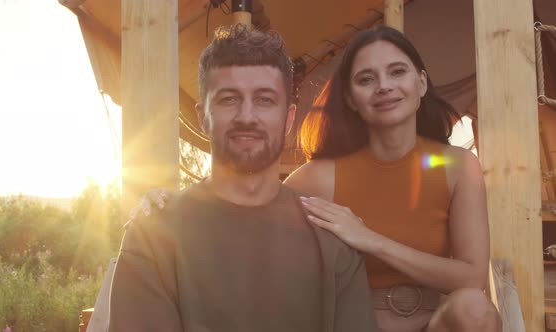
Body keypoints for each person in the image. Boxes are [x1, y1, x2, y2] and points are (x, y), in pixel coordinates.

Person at [133, 25, 502, 332]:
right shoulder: (318, 178)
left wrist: (371, 240)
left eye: (398, 72)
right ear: (351, 98)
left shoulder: (457, 167)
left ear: (421, 83)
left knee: (475, 310)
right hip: (354, 322)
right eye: (366, 79)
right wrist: (168, 204)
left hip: (432, 322)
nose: (384, 86)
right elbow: (246, 203)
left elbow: (471, 279)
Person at [108, 24, 378, 332]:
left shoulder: (332, 242)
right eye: (228, 99)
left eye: (264, 100)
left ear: (289, 118)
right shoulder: (153, 236)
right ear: (202, 116)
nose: (247, 116)